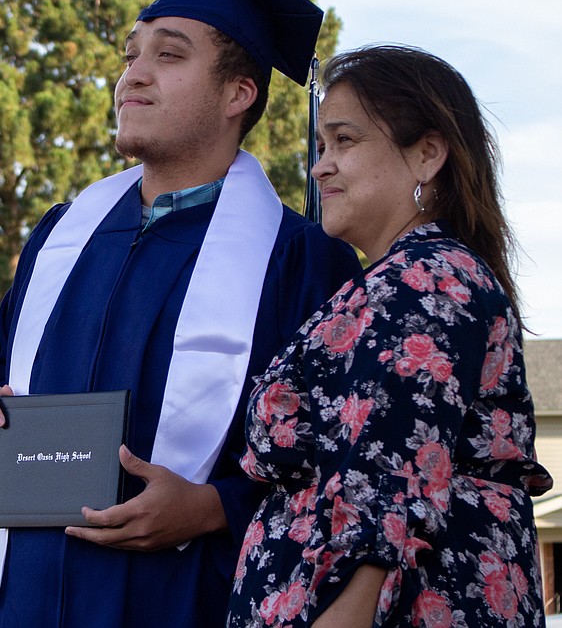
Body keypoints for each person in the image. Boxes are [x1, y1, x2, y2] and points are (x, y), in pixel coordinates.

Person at [0, 0, 361, 627]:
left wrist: (214, 507)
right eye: (129, 55)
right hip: (24, 599)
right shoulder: (61, 238)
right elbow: (3, 388)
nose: (131, 77)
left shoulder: (301, 261)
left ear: (239, 94)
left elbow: (339, 466)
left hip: (184, 601)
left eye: (168, 56)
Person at [228, 45, 553, 626]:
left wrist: (346, 614)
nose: (319, 166)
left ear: (427, 154)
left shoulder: (428, 281)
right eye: (321, 146)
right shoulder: (395, 281)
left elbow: (393, 475)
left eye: (344, 141)